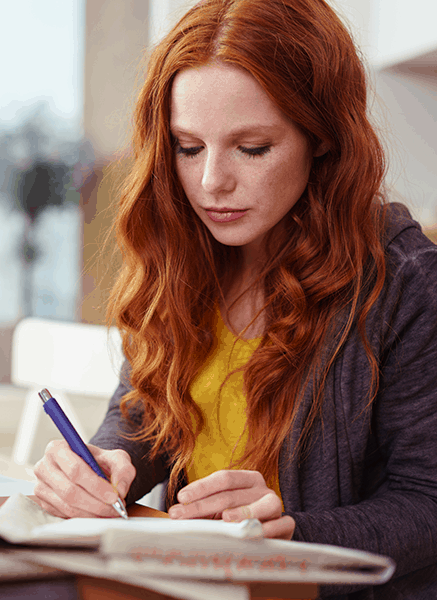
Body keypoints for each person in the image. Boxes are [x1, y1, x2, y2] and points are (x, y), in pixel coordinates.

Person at [32, 0, 437, 597]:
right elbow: (143, 415)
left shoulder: (404, 281)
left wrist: (293, 533)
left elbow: (427, 502)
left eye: (251, 148)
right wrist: (107, 466)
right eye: (188, 147)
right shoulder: (184, 255)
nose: (210, 182)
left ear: (322, 139)